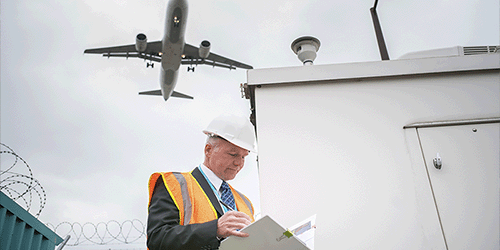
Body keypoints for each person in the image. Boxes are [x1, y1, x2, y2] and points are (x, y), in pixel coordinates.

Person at [147, 114, 257, 250]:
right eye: (233, 154)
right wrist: (214, 230)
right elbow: (157, 239)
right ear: (208, 150)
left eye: (243, 156)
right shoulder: (174, 185)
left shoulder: (245, 203)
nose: (238, 163)